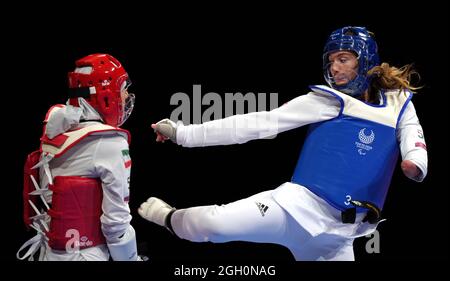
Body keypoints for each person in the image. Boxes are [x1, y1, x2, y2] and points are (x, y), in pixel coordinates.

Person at [139, 26, 428, 260]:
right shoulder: (326, 101)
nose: (335, 68)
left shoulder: (399, 103)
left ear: (365, 60)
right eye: (331, 61)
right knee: (214, 224)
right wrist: (185, 134)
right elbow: (258, 123)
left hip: (337, 240)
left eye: (343, 59)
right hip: (293, 211)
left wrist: (416, 162)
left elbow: (412, 133)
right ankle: (168, 217)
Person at [17, 53, 142, 261]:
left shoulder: (56, 128)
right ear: (104, 94)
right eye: (122, 90)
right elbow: (116, 224)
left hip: (49, 253)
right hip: (85, 255)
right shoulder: (109, 141)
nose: (126, 96)